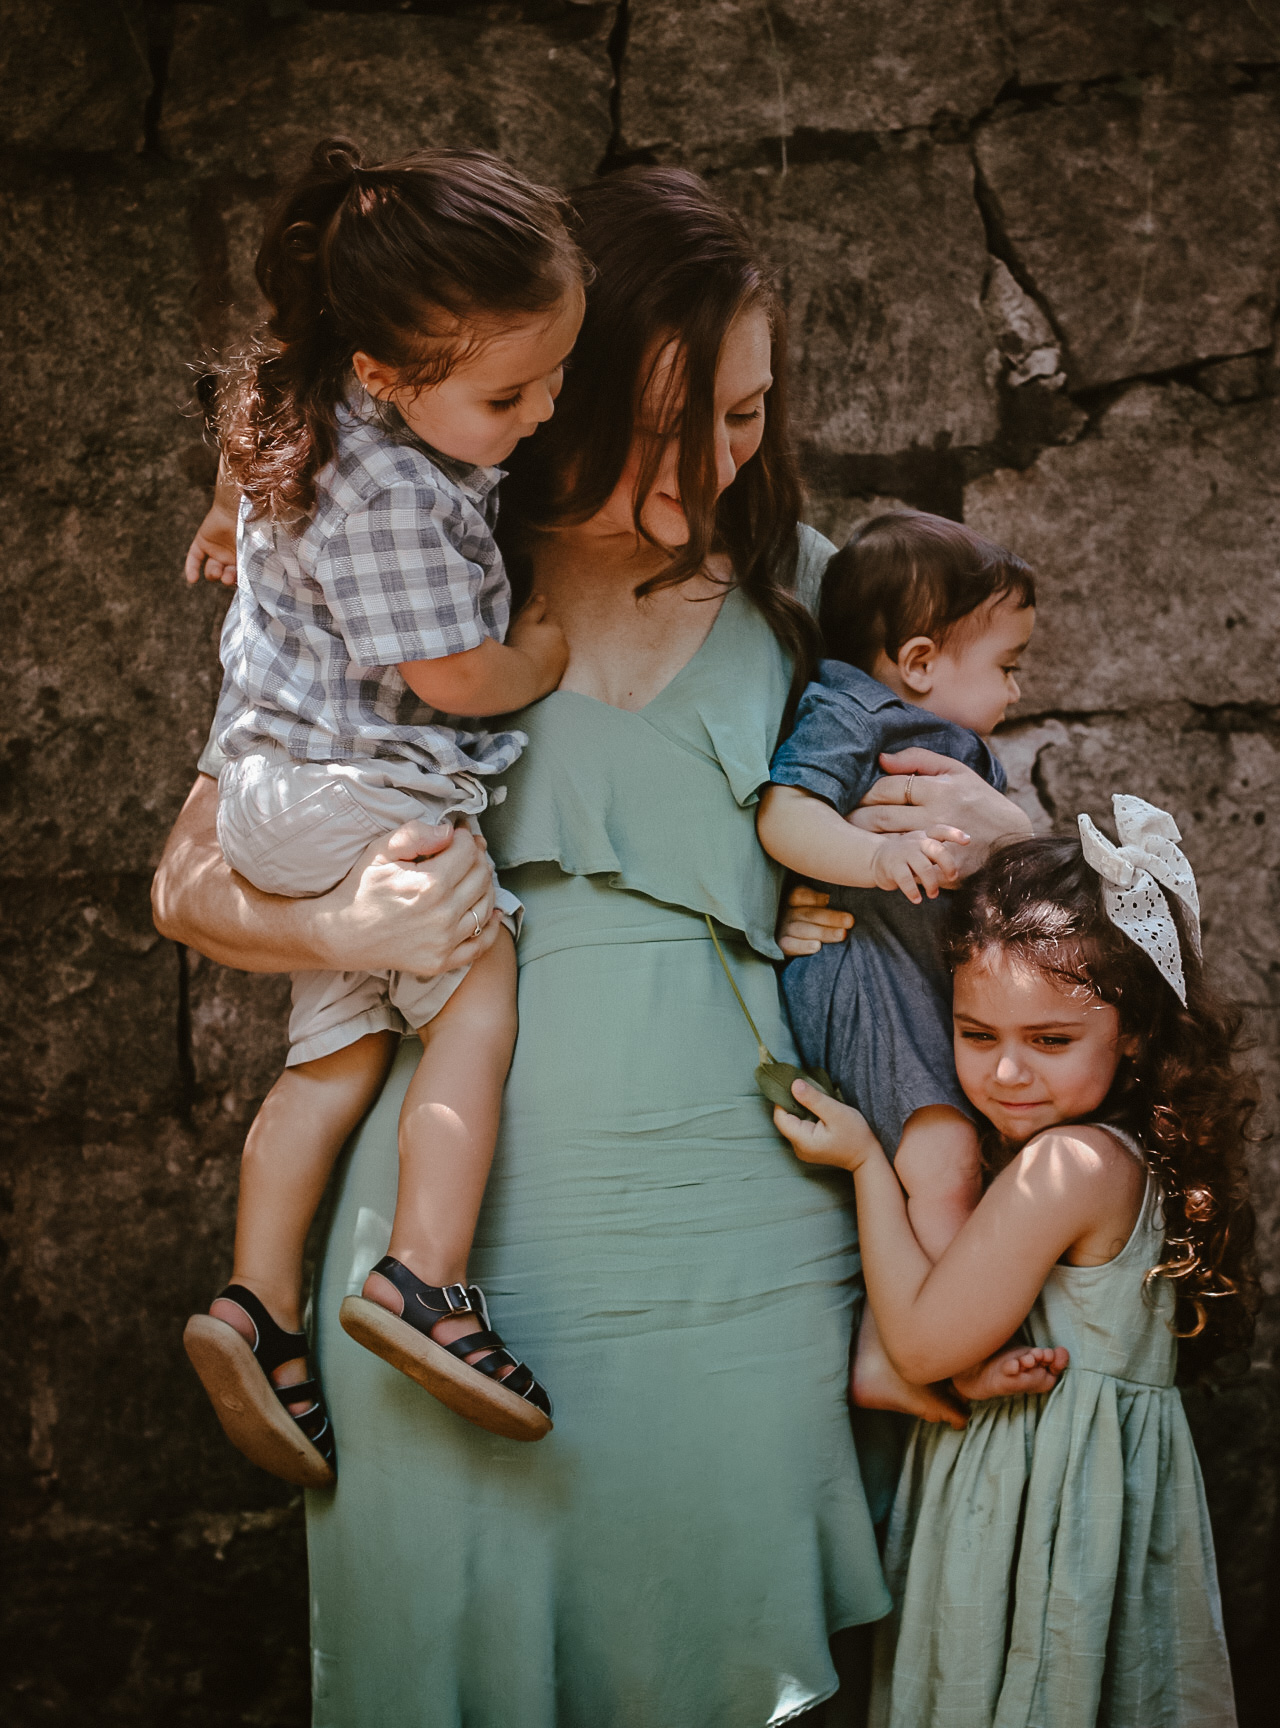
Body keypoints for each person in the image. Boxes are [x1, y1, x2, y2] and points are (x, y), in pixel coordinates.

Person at [153, 166, 1032, 1728]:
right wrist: (333, 922)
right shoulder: (401, 575)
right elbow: (186, 885)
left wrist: (996, 817)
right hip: (451, 1295)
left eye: (746, 419)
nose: (702, 473)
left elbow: (1027, 916)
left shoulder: (820, 601)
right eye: (660, 422)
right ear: (550, 383)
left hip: (763, 1278)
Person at [181, 138, 585, 1486]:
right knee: (475, 998)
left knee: (336, 1053)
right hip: (367, 792)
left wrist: (221, 515)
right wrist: (540, 656)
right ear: (385, 378)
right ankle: (425, 1277)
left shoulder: (301, 402)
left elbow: (240, 446)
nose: (541, 410)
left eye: (554, 377)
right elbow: (451, 676)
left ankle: (255, 1302)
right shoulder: (402, 489)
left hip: (271, 794)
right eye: (507, 394)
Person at [776, 799, 1255, 1728]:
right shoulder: (1118, 1153)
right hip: (1069, 1504)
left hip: (1044, 1519)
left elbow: (917, 1344)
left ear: (1138, 1034)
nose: (1004, 1074)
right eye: (976, 1034)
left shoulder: (1068, 1166)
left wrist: (870, 1166)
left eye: (1050, 1041)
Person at [758, 512, 1041, 1421]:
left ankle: (893, 1341)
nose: (1018, 686)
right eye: (1006, 664)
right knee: (945, 1160)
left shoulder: (925, 723)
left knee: (950, 1157)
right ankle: (950, 1348)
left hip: (908, 974)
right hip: (864, 971)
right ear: (919, 661)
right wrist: (872, 860)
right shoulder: (855, 710)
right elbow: (784, 813)